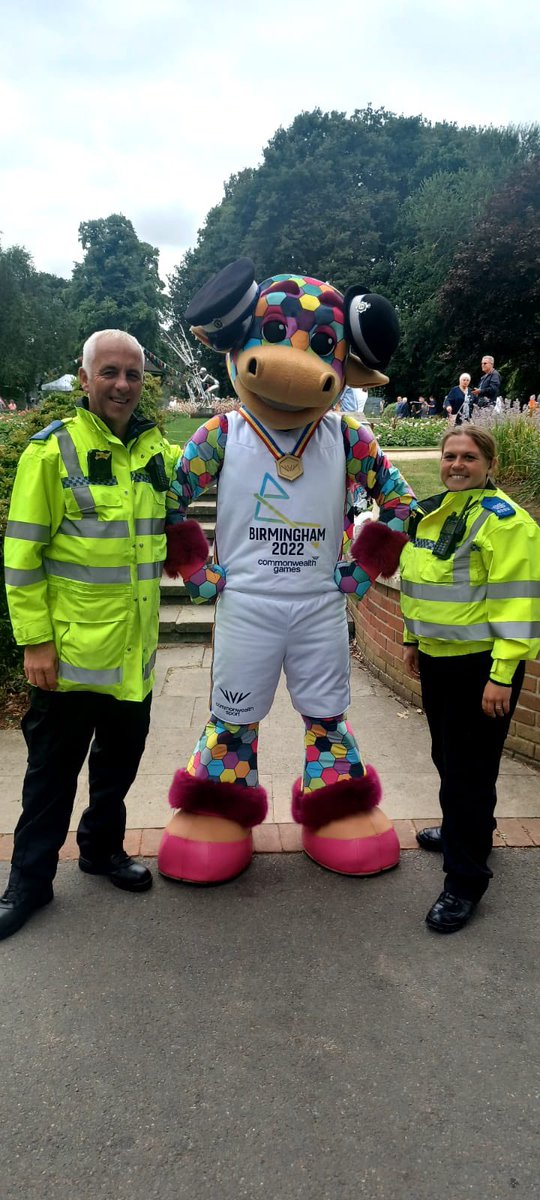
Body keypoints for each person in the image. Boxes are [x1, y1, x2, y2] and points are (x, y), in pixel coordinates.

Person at [1, 329, 182, 941]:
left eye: (132, 374)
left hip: (133, 655)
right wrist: (35, 642)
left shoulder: (155, 451)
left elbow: (165, 536)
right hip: (70, 656)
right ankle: (28, 883)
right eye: (109, 373)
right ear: (84, 379)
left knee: (117, 767)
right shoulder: (51, 453)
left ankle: (103, 850)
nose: (123, 385)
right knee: (51, 776)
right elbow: (22, 557)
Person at [400, 426, 540, 933]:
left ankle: (464, 880)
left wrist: (502, 676)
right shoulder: (436, 511)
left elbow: (519, 605)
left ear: (489, 464)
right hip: (439, 661)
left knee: (470, 772)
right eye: (449, 456)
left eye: (469, 457)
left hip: (483, 667)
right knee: (447, 757)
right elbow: (420, 583)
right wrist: (414, 641)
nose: (457, 464)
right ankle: (468, 830)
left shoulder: (507, 523)